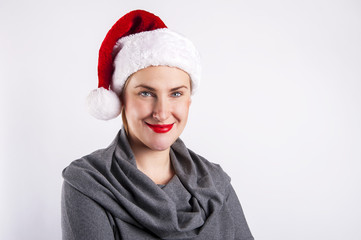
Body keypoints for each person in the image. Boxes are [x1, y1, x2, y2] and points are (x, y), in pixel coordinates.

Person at [61, 10, 254, 240]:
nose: (162, 112)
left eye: (175, 93)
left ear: (188, 100)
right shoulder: (89, 183)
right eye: (145, 93)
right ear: (122, 99)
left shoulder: (216, 182)